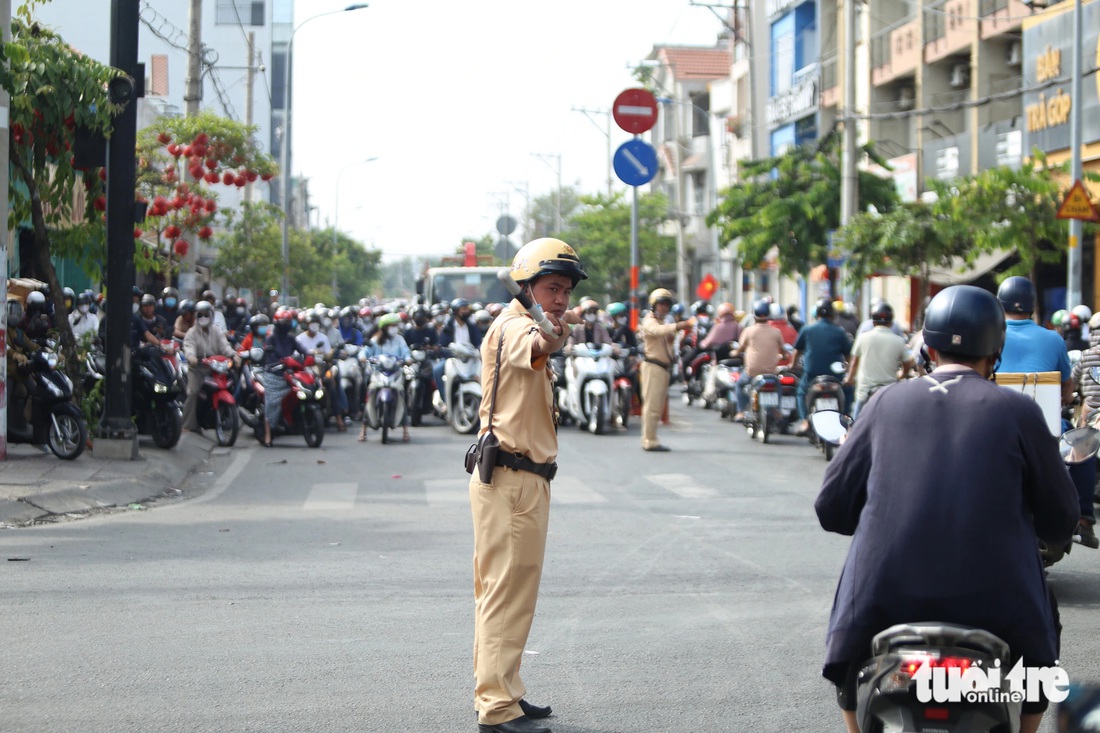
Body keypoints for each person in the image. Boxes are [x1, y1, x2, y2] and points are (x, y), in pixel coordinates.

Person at [815, 284, 1078, 733]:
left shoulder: (884, 403)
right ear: (995, 350)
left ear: (927, 347)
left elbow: (831, 509)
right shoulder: (1018, 411)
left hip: (886, 598)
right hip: (997, 603)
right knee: (1039, 653)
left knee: (848, 648)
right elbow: (1061, 519)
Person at [469, 238, 586, 733]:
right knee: (506, 592)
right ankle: (497, 706)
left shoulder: (520, 321)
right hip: (512, 476)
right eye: (551, 288)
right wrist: (554, 331)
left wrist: (558, 324)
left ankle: (505, 690)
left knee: (509, 591)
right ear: (528, 287)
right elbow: (540, 346)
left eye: (564, 290)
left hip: (519, 477)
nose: (559, 299)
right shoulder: (516, 328)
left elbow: (551, 337)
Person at [995, 276, 1097, 548]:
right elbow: (1066, 391)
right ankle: (1085, 519)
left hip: (992, 426)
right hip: (1045, 430)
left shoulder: (990, 335)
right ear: (1032, 305)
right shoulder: (1053, 339)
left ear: (1000, 302)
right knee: (1084, 443)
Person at [639, 288, 693, 451]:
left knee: (657, 405)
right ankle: (649, 440)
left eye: (667, 304)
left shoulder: (663, 321)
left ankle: (651, 437)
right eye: (661, 304)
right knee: (652, 405)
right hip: (653, 366)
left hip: (663, 367)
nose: (664, 307)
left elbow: (667, 340)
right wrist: (677, 326)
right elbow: (656, 330)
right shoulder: (650, 320)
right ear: (654, 305)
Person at [845, 301, 915, 420]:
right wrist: (902, 374)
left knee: (855, 430)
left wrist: (849, 379)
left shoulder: (862, 338)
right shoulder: (898, 341)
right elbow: (908, 362)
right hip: (889, 392)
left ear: (873, 321)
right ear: (891, 323)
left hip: (865, 393)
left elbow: (854, 362)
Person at [791, 299, 852, 434]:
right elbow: (848, 355)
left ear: (816, 314)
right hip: (835, 374)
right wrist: (847, 369)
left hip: (812, 373)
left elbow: (797, 351)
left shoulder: (807, 329)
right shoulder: (839, 331)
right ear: (832, 314)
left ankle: (805, 421)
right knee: (849, 390)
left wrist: (793, 366)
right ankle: (845, 419)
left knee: (801, 392)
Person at [181, 301, 240, 434]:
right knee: (193, 392)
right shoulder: (192, 332)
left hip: (215, 368)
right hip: (198, 368)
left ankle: (225, 416)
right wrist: (192, 357)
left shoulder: (217, 331)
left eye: (206, 314)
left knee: (230, 385)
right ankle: (188, 424)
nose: (203, 317)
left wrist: (234, 355)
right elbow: (189, 347)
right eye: (200, 314)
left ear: (212, 315)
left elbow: (225, 347)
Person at [359, 312, 412, 442]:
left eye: (396, 325)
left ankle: (405, 430)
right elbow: (365, 350)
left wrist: (408, 359)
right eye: (391, 325)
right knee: (370, 394)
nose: (394, 328)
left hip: (395, 372)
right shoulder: (375, 340)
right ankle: (363, 429)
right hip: (378, 373)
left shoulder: (400, 340)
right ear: (384, 327)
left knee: (401, 394)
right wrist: (363, 356)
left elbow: (406, 352)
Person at [731, 300, 787, 422]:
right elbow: (783, 352)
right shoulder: (776, 332)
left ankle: (741, 411)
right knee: (778, 387)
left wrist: (734, 353)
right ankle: (776, 410)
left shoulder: (749, 331)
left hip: (752, 372)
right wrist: (783, 356)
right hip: (771, 372)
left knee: (739, 385)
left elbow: (739, 348)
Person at [260, 308, 307, 447]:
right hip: (274, 373)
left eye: (288, 321)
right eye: (283, 321)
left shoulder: (291, 338)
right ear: (277, 322)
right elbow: (270, 356)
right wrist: (280, 362)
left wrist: (310, 356)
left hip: (290, 373)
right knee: (272, 403)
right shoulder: (271, 338)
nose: (286, 324)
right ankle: (268, 433)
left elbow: (302, 350)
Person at [434, 298, 484, 405]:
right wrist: (448, 352)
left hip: (470, 358)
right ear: (456, 311)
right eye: (463, 309)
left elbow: (478, 343)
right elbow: (441, 347)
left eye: (467, 309)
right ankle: (445, 401)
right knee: (437, 370)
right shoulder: (447, 328)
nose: (466, 311)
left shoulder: (472, 327)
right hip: (452, 358)